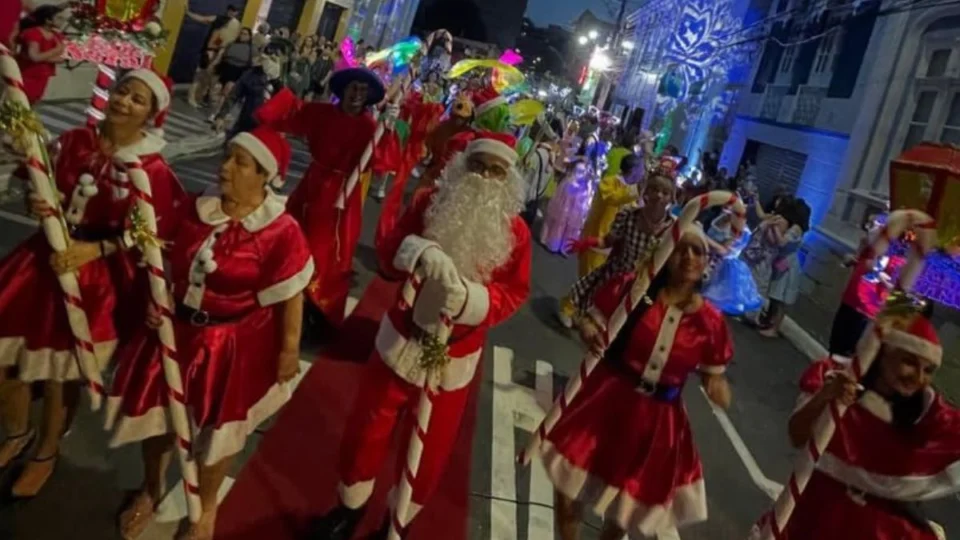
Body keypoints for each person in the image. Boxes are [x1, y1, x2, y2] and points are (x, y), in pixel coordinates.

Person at [311, 132, 532, 539]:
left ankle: (396, 523)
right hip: (401, 337)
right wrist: (417, 250)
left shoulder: (516, 233)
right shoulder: (430, 202)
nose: (483, 178)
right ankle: (349, 510)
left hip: (454, 356)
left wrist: (473, 300)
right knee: (365, 431)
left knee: (427, 451)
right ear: (462, 166)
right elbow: (389, 254)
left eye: (495, 171)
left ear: (508, 180)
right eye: (478, 165)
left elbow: (515, 292)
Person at [106, 127, 312, 540]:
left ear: (264, 176)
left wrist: (289, 349)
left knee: (219, 435)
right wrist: (156, 298)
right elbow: (163, 257)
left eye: (240, 162)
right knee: (161, 421)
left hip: (232, 345)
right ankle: (150, 489)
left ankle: (206, 505)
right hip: (175, 334)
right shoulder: (199, 206)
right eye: (227, 156)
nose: (225, 167)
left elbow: (292, 294)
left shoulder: (280, 229)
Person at [0, 69, 186, 498]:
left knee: (59, 374)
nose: (124, 101)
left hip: (94, 277)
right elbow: (33, 176)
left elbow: (156, 232)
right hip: (40, 259)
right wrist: (35, 201)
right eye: (123, 91)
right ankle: (16, 431)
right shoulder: (74, 141)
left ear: (151, 115)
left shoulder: (151, 167)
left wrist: (95, 250)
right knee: (9, 360)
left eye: (139, 100)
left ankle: (47, 450)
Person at [541, 228, 733, 539]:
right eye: (680, 249)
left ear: (706, 262)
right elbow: (590, 318)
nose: (688, 257)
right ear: (666, 255)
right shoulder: (634, 289)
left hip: (656, 424)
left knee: (622, 513)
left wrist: (718, 388)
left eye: (697, 251)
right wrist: (589, 330)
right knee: (567, 489)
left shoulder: (710, 322)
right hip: (606, 401)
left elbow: (715, 375)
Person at [760, 310, 957, 539]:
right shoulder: (835, 378)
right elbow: (797, 436)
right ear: (882, 353)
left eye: (929, 370)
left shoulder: (929, 413)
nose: (919, 377)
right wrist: (826, 396)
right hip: (817, 514)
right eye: (909, 362)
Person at [255, 67, 384, 331]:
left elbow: (380, 161)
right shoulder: (323, 113)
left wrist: (387, 134)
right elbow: (294, 111)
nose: (357, 94)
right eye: (353, 88)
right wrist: (278, 83)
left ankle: (315, 311)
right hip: (312, 186)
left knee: (327, 251)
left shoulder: (371, 127)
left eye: (363, 90)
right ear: (343, 90)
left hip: (341, 197)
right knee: (292, 238)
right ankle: (279, 298)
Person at [558, 172, 676, 328]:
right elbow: (609, 240)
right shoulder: (628, 215)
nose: (659, 195)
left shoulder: (673, 228)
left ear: (671, 198)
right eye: (654, 189)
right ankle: (571, 313)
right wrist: (587, 242)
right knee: (592, 302)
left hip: (643, 286)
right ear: (646, 191)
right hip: (615, 275)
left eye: (665, 192)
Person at [577, 153, 643, 276]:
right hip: (596, 241)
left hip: (611, 248)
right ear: (633, 170)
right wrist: (637, 190)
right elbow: (613, 198)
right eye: (641, 169)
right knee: (587, 281)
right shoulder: (609, 183)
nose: (643, 173)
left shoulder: (630, 190)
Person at [757, 198, 810, 337]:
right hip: (782, 261)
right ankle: (768, 320)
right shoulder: (794, 226)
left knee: (782, 299)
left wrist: (773, 226)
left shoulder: (796, 229)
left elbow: (781, 242)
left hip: (788, 265)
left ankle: (774, 328)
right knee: (775, 295)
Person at [702, 212, 764, 316]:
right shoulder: (722, 217)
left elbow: (724, 251)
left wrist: (702, 237)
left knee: (711, 302)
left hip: (720, 266)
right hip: (707, 258)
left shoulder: (741, 230)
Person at [212, 54, 284, 140]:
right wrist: (221, 116)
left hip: (267, 129)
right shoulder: (252, 75)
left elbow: (284, 106)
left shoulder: (279, 85)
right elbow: (234, 95)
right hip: (247, 122)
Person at [186, 5, 241, 108]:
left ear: (236, 13)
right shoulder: (220, 19)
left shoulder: (236, 25)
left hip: (221, 53)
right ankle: (191, 97)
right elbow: (204, 19)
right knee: (200, 74)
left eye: (234, 11)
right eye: (230, 11)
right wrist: (189, 13)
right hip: (210, 50)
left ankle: (199, 97)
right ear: (227, 11)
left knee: (209, 78)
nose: (232, 13)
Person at [539, 159, 594, 255]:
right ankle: (555, 244)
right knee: (561, 221)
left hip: (577, 194)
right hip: (570, 191)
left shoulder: (586, 166)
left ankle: (562, 246)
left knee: (566, 222)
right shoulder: (580, 165)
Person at [15, 3, 67, 104]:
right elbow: (35, 57)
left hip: (43, 75)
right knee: (21, 102)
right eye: (59, 18)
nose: (63, 21)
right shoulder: (34, 33)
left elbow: (62, 58)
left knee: (34, 101)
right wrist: (57, 49)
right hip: (27, 74)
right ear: (48, 20)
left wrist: (41, 57)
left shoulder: (57, 35)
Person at [210, 26, 255, 114]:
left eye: (245, 34)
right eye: (241, 33)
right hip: (225, 68)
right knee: (216, 90)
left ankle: (216, 113)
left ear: (249, 36)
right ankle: (215, 110)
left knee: (226, 92)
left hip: (238, 71)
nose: (242, 36)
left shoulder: (252, 49)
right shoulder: (231, 44)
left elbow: (253, 62)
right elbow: (223, 55)